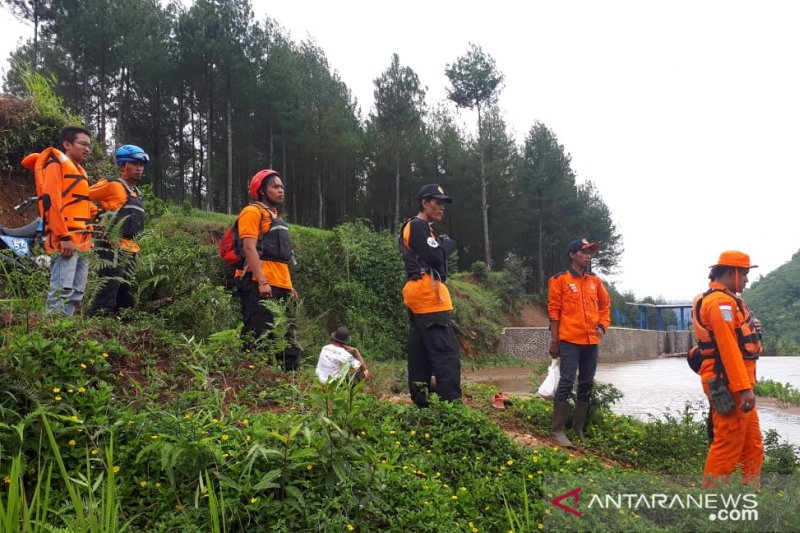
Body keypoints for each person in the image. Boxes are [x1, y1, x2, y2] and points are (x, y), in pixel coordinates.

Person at [692, 251, 763, 486]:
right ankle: (713, 501)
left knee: (752, 443)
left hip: (735, 380)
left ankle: (750, 495)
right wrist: (743, 388)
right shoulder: (720, 303)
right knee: (728, 444)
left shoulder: (727, 301)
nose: (746, 279)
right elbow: (728, 348)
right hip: (728, 382)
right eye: (744, 273)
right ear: (731, 272)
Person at [21, 127, 94, 316]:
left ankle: (66, 330)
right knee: (61, 290)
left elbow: (81, 205)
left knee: (76, 293)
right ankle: (53, 333)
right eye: (83, 144)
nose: (87, 149)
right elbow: (50, 203)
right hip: (66, 238)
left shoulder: (81, 172)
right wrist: (63, 236)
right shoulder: (56, 166)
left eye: (89, 146)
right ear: (67, 144)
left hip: (83, 240)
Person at [399, 184, 460, 407]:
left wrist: (440, 245)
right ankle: (452, 410)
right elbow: (434, 258)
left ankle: (422, 402)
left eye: (443, 203)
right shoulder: (418, 225)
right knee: (446, 356)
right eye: (437, 202)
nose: (441, 207)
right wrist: (446, 246)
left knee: (420, 354)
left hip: (420, 297)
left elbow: (431, 254)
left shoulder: (422, 228)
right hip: (428, 298)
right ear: (425, 203)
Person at [547, 238, 611, 447]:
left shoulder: (595, 281)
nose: (588, 255)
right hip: (569, 340)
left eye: (590, 252)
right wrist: (554, 341)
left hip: (591, 341)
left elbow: (605, 304)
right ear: (572, 255)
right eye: (584, 252)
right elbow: (554, 313)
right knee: (567, 380)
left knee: (586, 383)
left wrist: (602, 326)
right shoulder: (560, 280)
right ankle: (557, 430)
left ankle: (578, 428)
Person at [235, 169, 300, 371]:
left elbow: (281, 258)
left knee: (287, 337)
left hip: (281, 283)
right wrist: (262, 280)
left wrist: (290, 287)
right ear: (262, 190)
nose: (281, 190)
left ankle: (289, 385)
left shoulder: (276, 217)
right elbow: (249, 247)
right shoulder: (252, 212)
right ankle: (253, 383)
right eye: (275, 186)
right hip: (258, 283)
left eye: (282, 187)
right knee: (259, 335)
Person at [87, 145, 148, 317]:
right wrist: (98, 215)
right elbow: (80, 196)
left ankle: (122, 331)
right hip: (111, 247)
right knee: (108, 289)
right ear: (122, 166)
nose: (139, 168)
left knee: (126, 293)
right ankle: (97, 326)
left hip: (131, 249)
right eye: (135, 164)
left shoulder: (136, 192)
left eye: (141, 165)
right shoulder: (112, 185)